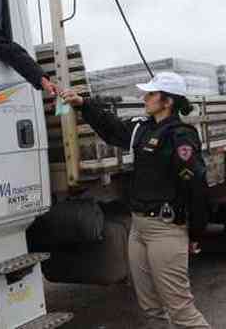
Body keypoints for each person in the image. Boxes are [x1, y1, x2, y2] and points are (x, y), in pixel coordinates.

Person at [61, 72, 210, 329]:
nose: (145, 97)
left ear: (168, 101)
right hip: (138, 229)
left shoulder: (181, 136)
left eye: (151, 94)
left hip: (166, 230)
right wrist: (83, 104)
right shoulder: (143, 127)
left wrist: (195, 231)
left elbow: (196, 185)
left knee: (182, 313)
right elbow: (113, 129)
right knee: (152, 309)